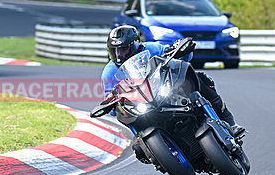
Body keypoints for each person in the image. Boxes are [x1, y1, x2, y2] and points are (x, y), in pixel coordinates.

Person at [101, 25, 245, 137]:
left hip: (164, 91)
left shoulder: (151, 48)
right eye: (115, 51)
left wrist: (180, 50)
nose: (119, 54)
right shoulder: (109, 73)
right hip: (142, 107)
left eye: (123, 49)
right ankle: (150, 147)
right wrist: (112, 106)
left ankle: (229, 123)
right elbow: (111, 102)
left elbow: (178, 57)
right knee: (138, 147)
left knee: (200, 79)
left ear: (134, 45)